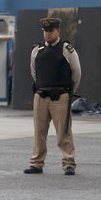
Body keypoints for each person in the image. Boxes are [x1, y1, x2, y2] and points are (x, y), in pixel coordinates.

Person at [24, 17, 81, 176]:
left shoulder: (67, 49)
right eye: (45, 31)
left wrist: (68, 93)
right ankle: (36, 163)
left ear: (58, 31)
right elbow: (34, 72)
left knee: (64, 131)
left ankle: (69, 162)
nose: (48, 34)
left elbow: (76, 73)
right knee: (39, 132)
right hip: (41, 95)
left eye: (51, 31)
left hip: (60, 96)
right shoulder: (37, 50)